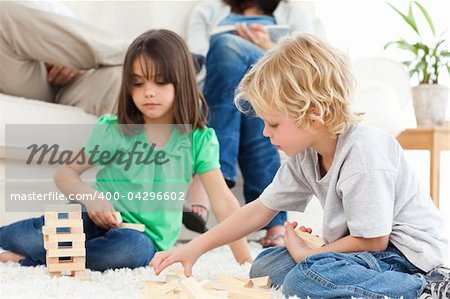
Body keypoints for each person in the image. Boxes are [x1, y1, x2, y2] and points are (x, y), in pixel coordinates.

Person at [150, 34, 449, 298]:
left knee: (305, 279)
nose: (266, 133)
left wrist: (310, 254)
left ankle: (425, 288)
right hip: (366, 253)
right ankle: (330, 268)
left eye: (273, 123)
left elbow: (373, 240)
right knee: (264, 266)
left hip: (405, 256)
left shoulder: (365, 152)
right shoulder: (306, 156)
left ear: (314, 114)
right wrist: (195, 248)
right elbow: (259, 210)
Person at [0, 29, 251, 271]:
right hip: (91, 216)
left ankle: (35, 260)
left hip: (143, 237)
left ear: (181, 83)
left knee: (128, 251)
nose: (148, 92)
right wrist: (92, 198)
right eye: (138, 83)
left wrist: (245, 262)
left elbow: (223, 201)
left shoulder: (199, 140)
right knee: (33, 234)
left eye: (160, 82)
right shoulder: (114, 130)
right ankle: (43, 249)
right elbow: (65, 174)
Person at [0, 1, 211, 234]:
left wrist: (66, 57)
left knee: (131, 83)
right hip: (26, 72)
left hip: (82, 74)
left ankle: (166, 175)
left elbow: (68, 36)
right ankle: (137, 50)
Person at [186, 0, 315, 247]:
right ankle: (276, 224)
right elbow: (194, 65)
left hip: (274, 79)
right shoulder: (207, 11)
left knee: (231, 52)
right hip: (228, 88)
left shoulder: (293, 13)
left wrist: (267, 48)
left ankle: (205, 176)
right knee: (252, 103)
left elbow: (309, 66)